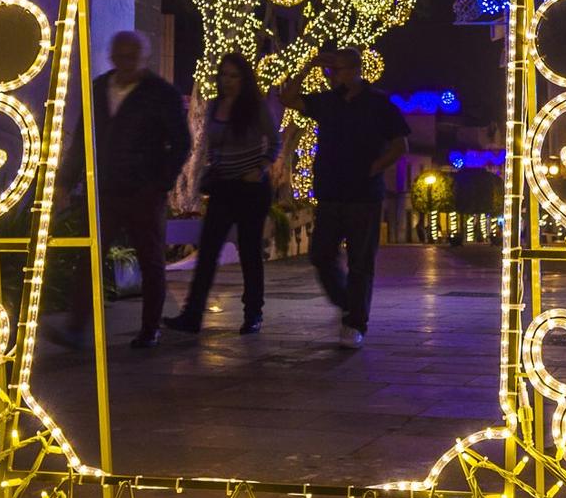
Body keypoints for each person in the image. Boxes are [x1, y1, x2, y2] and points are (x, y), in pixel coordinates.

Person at [50, 30, 191, 351]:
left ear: (144, 59)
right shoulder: (100, 88)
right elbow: (84, 140)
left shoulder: (161, 93)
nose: (126, 63)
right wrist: (65, 181)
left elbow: (181, 142)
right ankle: (77, 327)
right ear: (112, 56)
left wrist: (160, 182)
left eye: (133, 57)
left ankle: (150, 328)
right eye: (121, 56)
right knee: (90, 256)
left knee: (150, 258)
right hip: (105, 189)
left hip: (144, 190)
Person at [281, 46, 408, 349]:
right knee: (321, 254)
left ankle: (355, 323)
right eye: (330, 71)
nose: (332, 76)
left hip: (364, 195)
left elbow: (400, 145)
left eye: (337, 70)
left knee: (361, 261)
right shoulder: (327, 102)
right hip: (330, 192)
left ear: (355, 70)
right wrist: (307, 67)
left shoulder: (379, 104)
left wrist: (373, 168)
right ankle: (348, 303)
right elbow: (287, 99)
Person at [164, 53, 280, 336]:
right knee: (208, 250)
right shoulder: (215, 106)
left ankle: (253, 313)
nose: (227, 81)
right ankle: (192, 315)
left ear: (244, 79)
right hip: (224, 187)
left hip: (251, 188)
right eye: (224, 75)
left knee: (250, 252)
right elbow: (209, 146)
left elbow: (274, 142)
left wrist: (261, 168)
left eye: (234, 76)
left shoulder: (256, 107)